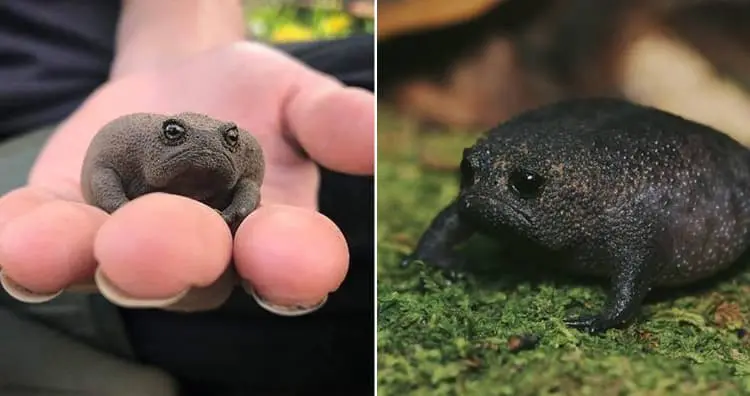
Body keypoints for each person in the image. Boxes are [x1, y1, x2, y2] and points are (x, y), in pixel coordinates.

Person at [0, 1, 374, 395]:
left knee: (361, 75)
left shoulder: (239, 149)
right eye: (176, 136)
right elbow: (103, 173)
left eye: (230, 141)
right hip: (30, 156)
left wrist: (184, 49)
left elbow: (248, 184)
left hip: (126, 76)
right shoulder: (126, 144)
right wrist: (116, 207)